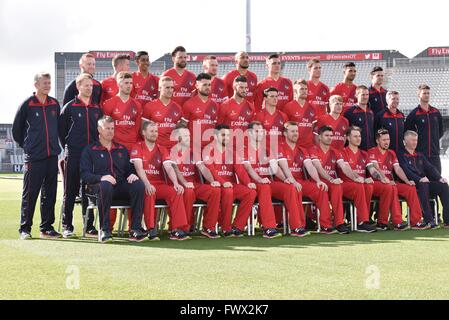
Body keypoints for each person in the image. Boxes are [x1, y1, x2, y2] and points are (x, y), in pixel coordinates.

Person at [80, 116, 147, 242]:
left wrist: (132, 174)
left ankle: (135, 229)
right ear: (99, 129)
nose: (110, 131)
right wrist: (102, 177)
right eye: (107, 128)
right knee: (105, 186)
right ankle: (105, 230)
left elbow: (128, 170)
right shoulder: (89, 150)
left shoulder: (121, 149)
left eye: (112, 128)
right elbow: (84, 174)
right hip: (98, 187)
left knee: (138, 185)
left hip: (120, 185)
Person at [13, 72, 62, 240]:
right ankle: (25, 229)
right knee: (30, 194)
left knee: (50, 193)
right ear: (36, 85)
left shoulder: (54, 104)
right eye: (44, 83)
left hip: (52, 156)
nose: (48, 85)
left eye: (49, 83)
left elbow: (59, 128)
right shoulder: (27, 104)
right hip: (34, 157)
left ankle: (47, 228)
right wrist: (28, 147)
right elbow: (16, 130)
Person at [59, 73, 103, 238]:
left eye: (91, 86)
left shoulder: (97, 108)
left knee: (89, 191)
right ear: (78, 87)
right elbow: (61, 132)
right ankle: (67, 226)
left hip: (91, 156)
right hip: (74, 154)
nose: (89, 88)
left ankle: (89, 226)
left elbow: (101, 132)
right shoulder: (69, 107)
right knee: (70, 191)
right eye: (86, 85)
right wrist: (69, 147)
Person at [130, 120, 191, 241]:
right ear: (144, 133)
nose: (154, 133)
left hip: (159, 184)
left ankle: (177, 229)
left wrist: (175, 183)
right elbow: (139, 168)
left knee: (175, 191)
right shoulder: (138, 147)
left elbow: (169, 167)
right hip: (145, 182)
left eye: (156, 131)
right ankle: (151, 228)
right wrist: (147, 184)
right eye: (151, 131)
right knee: (149, 191)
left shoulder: (162, 149)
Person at [242, 121, 303, 238]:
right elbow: (249, 169)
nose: (259, 134)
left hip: (269, 183)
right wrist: (260, 179)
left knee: (289, 187)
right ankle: (269, 228)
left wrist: (285, 179)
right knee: (264, 188)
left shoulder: (267, 149)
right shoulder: (244, 149)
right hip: (254, 183)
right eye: (256, 131)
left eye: (261, 131)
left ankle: (296, 227)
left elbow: (275, 169)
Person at [201, 124, 257, 237]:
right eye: (223, 135)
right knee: (228, 191)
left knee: (251, 193)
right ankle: (224, 228)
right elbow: (211, 170)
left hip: (229, 185)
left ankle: (237, 227)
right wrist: (222, 182)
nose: (226, 137)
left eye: (228, 135)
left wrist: (248, 183)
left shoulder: (233, 152)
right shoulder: (208, 150)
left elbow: (240, 170)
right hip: (215, 184)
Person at [276, 122, 331, 235]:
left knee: (320, 188)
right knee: (294, 188)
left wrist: (318, 180)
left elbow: (310, 166)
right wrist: (293, 181)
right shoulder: (280, 148)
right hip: (285, 181)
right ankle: (297, 227)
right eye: (292, 131)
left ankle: (326, 226)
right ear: (285, 134)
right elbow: (284, 168)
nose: (295, 133)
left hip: (300, 181)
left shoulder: (302, 150)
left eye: (296, 131)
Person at [171, 124, 221, 238]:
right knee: (188, 192)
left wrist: (212, 180)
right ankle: (185, 227)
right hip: (179, 184)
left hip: (194, 184)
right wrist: (184, 183)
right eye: (185, 136)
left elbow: (203, 168)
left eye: (189, 135)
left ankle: (209, 227)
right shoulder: (172, 152)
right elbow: (175, 170)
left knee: (215, 190)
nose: (188, 138)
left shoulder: (194, 152)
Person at [368, 129, 424, 230]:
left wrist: (407, 181)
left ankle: (416, 221)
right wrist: (384, 179)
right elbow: (375, 169)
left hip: (390, 183)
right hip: (376, 183)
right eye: (384, 139)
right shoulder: (372, 152)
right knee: (391, 187)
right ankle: (395, 221)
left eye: (388, 139)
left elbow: (398, 169)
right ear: (377, 141)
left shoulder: (391, 153)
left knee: (410, 188)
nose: (387, 142)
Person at [309, 126, 362, 234]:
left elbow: (344, 167)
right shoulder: (313, 150)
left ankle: (354, 222)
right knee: (332, 187)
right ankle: (332, 224)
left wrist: (356, 178)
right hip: (318, 181)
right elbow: (318, 168)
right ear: (319, 137)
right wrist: (331, 179)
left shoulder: (336, 151)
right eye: (326, 135)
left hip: (333, 182)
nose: (329, 138)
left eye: (331, 136)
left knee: (353, 186)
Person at [399, 130, 449, 228]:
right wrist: (419, 179)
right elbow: (405, 170)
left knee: (443, 186)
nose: (415, 143)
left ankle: (447, 220)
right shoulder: (401, 155)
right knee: (423, 185)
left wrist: (440, 178)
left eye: (416, 140)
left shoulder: (420, 155)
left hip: (424, 183)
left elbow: (430, 168)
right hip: (412, 184)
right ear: (405, 141)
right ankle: (429, 220)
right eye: (412, 140)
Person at [405, 84, 444, 173]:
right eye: (424, 93)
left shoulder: (436, 112)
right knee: (423, 181)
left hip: (435, 154)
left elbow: (440, 131)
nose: (426, 95)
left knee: (437, 181)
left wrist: (433, 142)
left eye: (428, 93)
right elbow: (407, 133)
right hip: (420, 154)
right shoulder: (413, 114)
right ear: (419, 95)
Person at [102, 72, 143, 151]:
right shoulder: (109, 103)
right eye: (126, 83)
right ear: (119, 84)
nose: (129, 86)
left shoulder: (137, 105)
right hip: (115, 146)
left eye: (131, 83)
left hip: (132, 146)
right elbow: (105, 127)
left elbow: (137, 127)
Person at [142, 76, 182, 149]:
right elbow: (143, 130)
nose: (170, 90)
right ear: (159, 88)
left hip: (172, 148)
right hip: (155, 148)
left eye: (172, 88)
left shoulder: (177, 108)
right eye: (167, 88)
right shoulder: (149, 106)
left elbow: (179, 131)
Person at [181, 73, 219, 151]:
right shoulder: (188, 104)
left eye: (209, 85)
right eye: (204, 85)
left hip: (210, 148)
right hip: (193, 147)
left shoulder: (215, 105)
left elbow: (215, 127)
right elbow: (183, 126)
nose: (207, 87)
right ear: (197, 86)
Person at [283, 79, 317, 149]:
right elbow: (285, 127)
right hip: (294, 146)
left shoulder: (312, 107)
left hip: (309, 146)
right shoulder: (288, 107)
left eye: (306, 89)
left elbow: (313, 126)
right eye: (301, 89)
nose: (304, 91)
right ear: (295, 91)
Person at [344, 85, 375, 151]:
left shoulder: (371, 112)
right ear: (356, 95)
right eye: (363, 95)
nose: (366, 97)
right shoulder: (350, 112)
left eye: (367, 94)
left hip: (370, 149)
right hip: (356, 150)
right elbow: (346, 132)